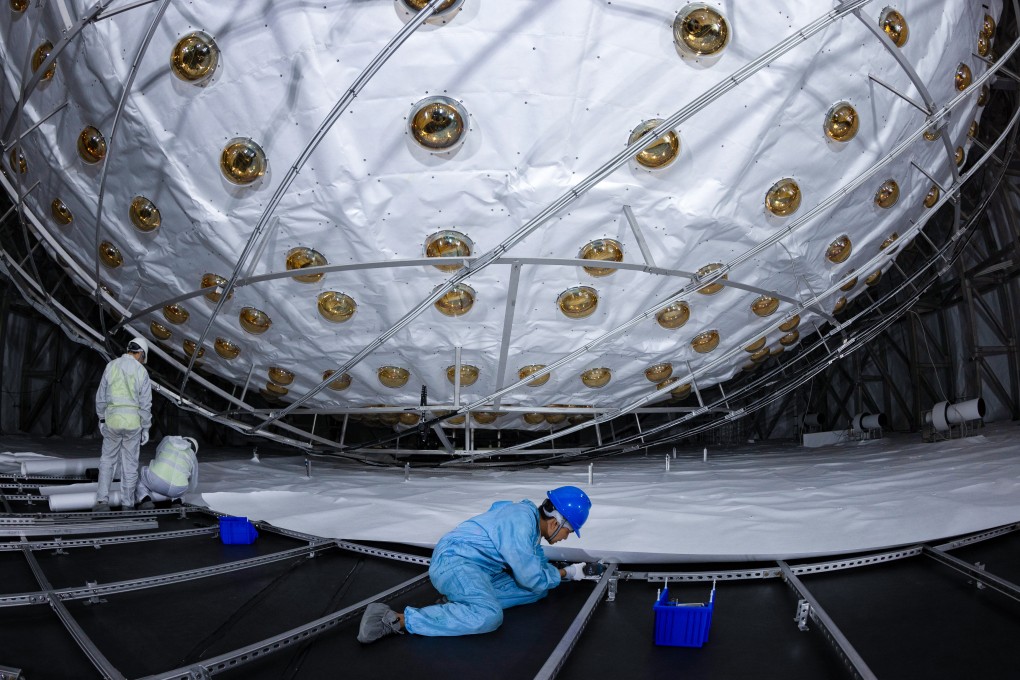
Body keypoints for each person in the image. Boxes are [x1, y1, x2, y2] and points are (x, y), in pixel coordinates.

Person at [357, 485, 593, 644]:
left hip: (477, 570)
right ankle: (396, 619)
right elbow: (532, 575)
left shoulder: (529, 526)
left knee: (537, 591)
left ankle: (460, 604)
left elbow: (535, 567)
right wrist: (568, 572)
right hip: (455, 562)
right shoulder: (520, 522)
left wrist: (559, 574)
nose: (565, 538)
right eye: (569, 532)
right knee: (490, 617)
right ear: (555, 522)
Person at [93, 337, 152, 511]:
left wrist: (102, 418)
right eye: (143, 357)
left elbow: (101, 396)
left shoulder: (111, 366)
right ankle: (128, 503)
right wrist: (146, 427)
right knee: (130, 465)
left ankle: (102, 502)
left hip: (112, 421)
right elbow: (145, 404)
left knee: (107, 461)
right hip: (133, 424)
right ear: (140, 353)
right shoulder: (141, 371)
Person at [136, 435, 199, 509]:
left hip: (156, 482)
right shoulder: (192, 457)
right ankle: (177, 502)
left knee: (138, 474)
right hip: (177, 491)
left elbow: (158, 456)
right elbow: (193, 482)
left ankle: (145, 500)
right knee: (184, 482)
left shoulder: (169, 441)